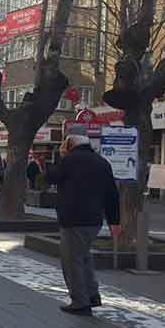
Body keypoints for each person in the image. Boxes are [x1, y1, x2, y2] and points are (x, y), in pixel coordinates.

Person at [47, 135, 120, 316]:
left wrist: (61, 156)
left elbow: (51, 177)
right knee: (84, 257)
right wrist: (114, 221)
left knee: (72, 261)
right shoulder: (102, 162)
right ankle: (92, 295)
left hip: (73, 218)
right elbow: (112, 194)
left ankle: (80, 301)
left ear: (69, 146)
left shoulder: (69, 160)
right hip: (94, 219)